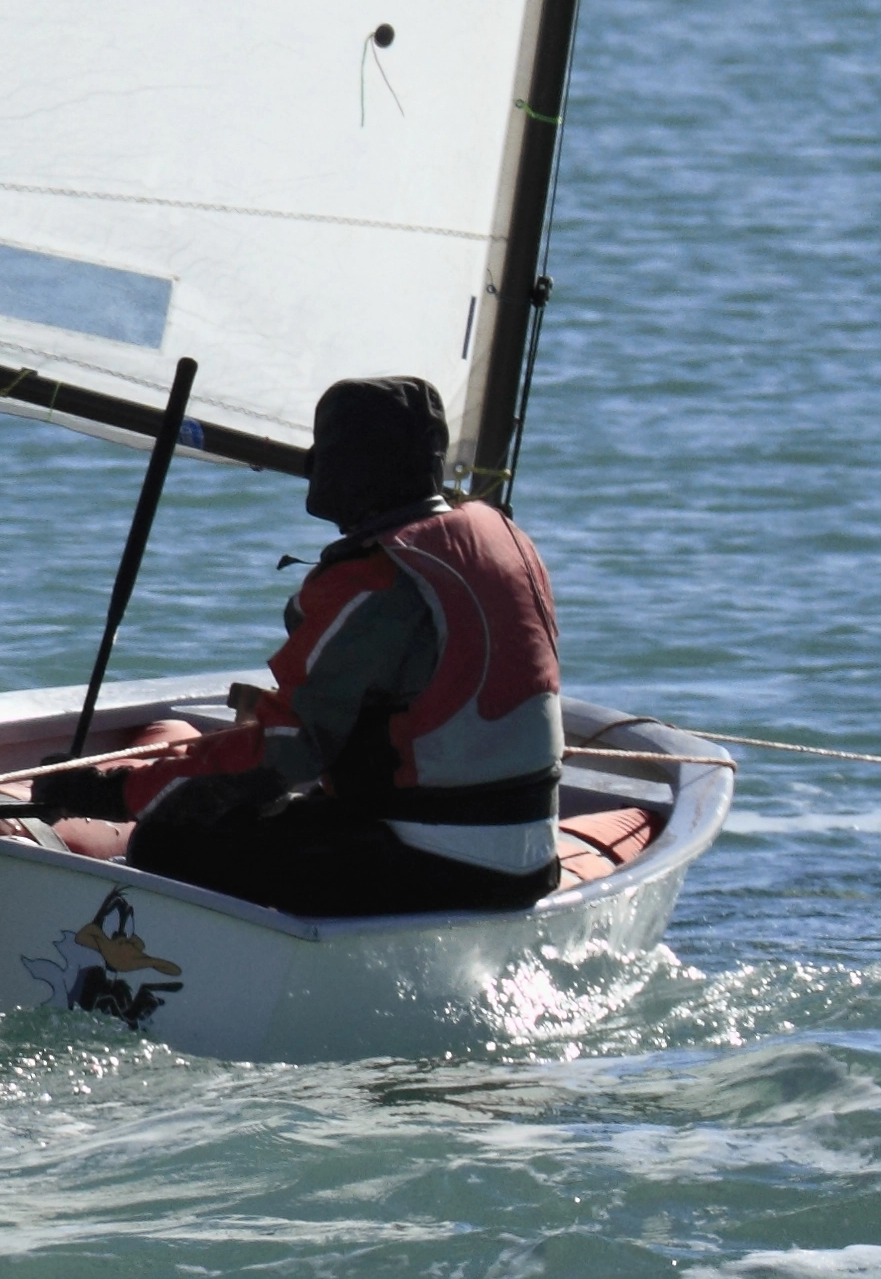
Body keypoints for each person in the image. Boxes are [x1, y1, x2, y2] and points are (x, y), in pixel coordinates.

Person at [38, 374, 567, 918]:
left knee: (166, 842)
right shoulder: (499, 536)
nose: (313, 464)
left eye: (326, 449)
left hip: (438, 859)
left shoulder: (377, 578)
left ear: (355, 465)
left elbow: (283, 753)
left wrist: (107, 793)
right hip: (529, 857)